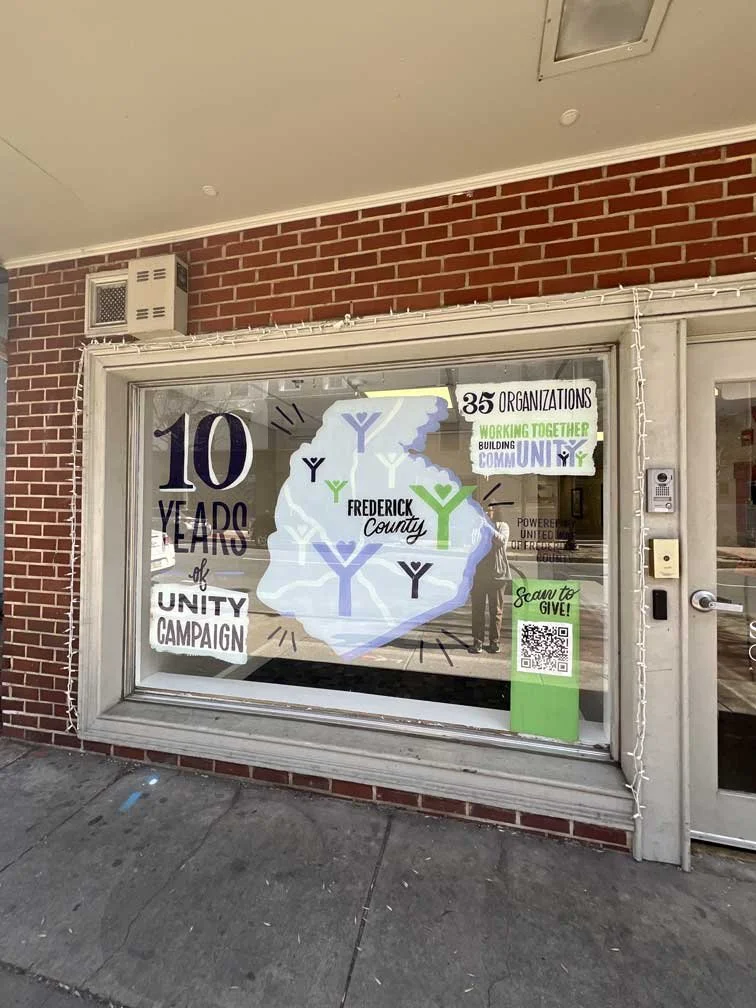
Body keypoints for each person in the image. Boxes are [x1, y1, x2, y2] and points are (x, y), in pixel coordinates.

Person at [470, 504, 511, 654]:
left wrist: (487, 527)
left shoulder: (503, 526)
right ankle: (477, 641)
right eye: (484, 510)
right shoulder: (477, 527)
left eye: (490, 510)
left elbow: (501, 542)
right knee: (477, 609)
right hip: (479, 574)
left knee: (496, 610)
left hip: (497, 575)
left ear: (496, 512)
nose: (487, 513)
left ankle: (494, 642)